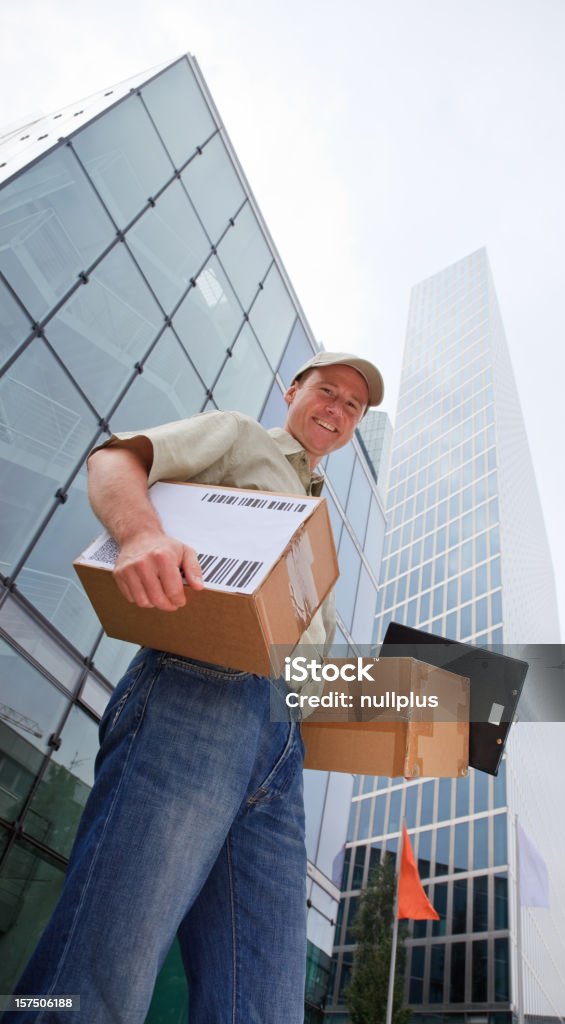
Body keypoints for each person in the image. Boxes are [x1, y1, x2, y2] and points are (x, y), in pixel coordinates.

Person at [10, 352, 384, 1024]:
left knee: (266, 1007)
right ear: (292, 390)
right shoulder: (241, 437)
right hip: (199, 698)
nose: (336, 410)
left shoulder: (318, 513)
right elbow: (112, 461)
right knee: (101, 973)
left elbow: (305, 659)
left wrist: (414, 713)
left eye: (352, 406)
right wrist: (141, 535)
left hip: (280, 744)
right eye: (327, 392)